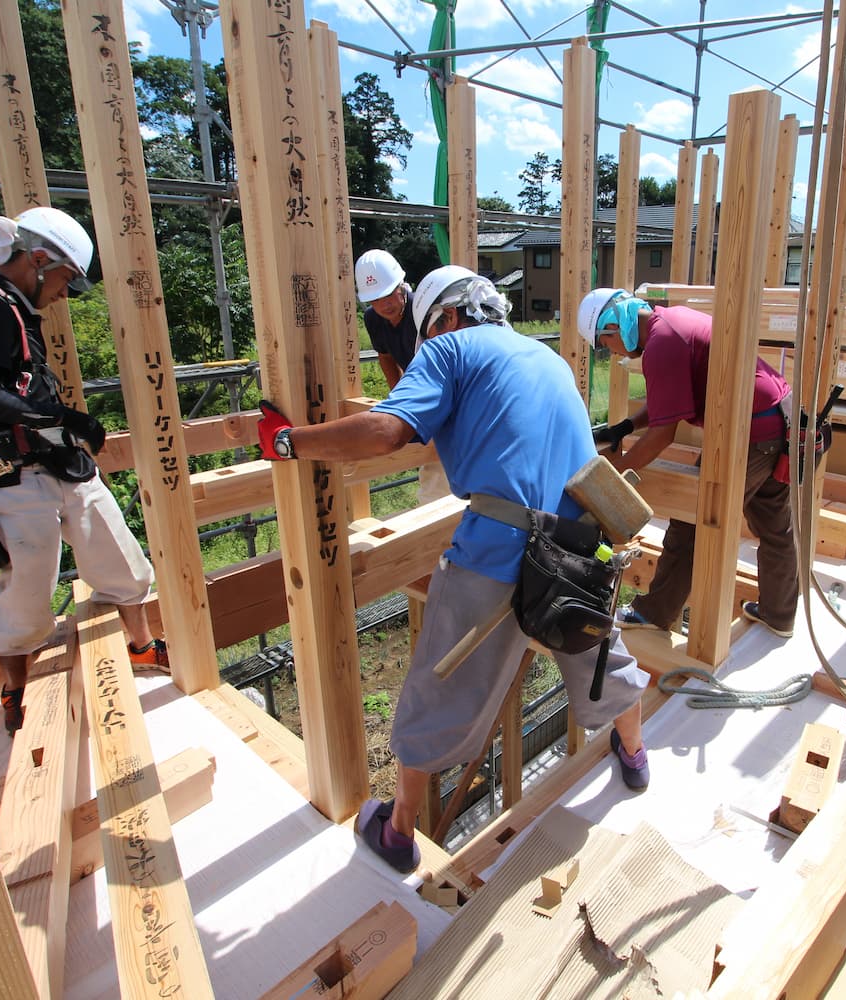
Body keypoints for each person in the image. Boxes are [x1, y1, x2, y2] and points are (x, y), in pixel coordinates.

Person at [257, 265, 652, 874]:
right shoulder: (546, 358)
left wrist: (290, 441)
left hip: (501, 547)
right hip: (579, 548)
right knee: (600, 654)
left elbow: (389, 431)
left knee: (436, 687)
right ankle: (634, 753)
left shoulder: (449, 348)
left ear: (445, 317)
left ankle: (399, 831)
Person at [0, 207, 168, 736]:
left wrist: (62, 429)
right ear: (38, 261)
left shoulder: (11, 306)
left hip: (61, 464)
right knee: (26, 588)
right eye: (65, 278)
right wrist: (61, 418)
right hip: (18, 475)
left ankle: (140, 648)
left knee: (121, 557)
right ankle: (15, 690)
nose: (65, 292)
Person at [575, 288, 800, 639]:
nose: (611, 352)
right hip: (774, 423)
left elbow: (664, 434)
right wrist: (627, 426)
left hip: (749, 435)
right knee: (774, 525)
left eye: (605, 345)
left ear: (614, 326)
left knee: (690, 521)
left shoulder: (662, 344)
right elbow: (672, 400)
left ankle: (653, 613)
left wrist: (611, 475)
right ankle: (779, 614)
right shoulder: (670, 325)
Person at [355, 248, 448, 501]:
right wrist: (397, 398)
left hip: (446, 388)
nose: (384, 304)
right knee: (432, 472)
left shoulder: (424, 311)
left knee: (446, 463)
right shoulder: (373, 319)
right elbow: (385, 356)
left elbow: (446, 368)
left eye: (388, 294)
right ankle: (433, 513)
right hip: (420, 389)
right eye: (375, 299)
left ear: (401, 286)